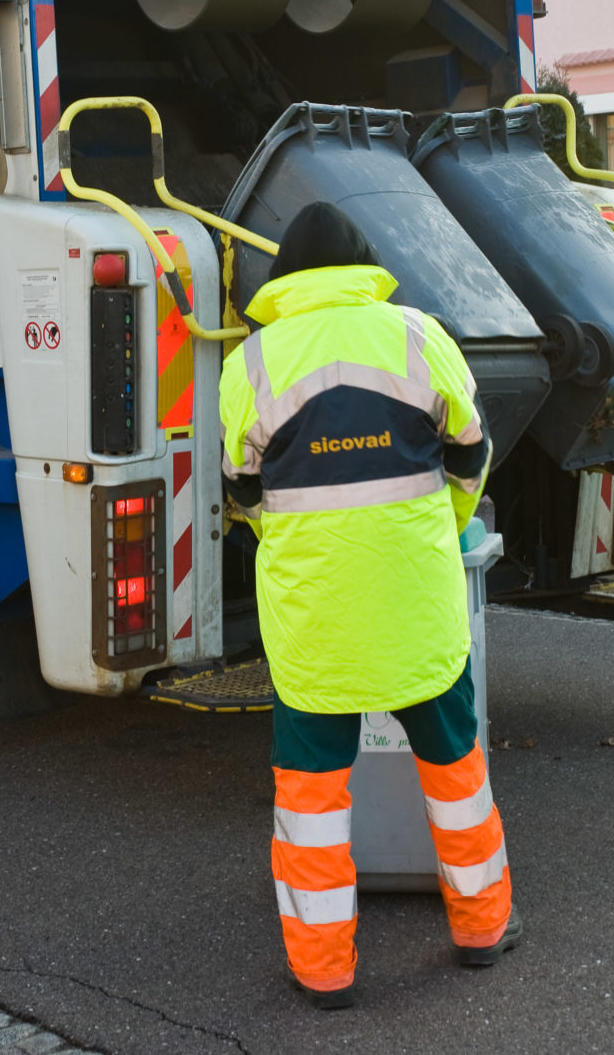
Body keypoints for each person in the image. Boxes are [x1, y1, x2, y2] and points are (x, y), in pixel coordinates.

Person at [220, 202, 519, 1011]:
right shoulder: (420, 335)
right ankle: (483, 928)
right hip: (417, 604)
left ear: (285, 276)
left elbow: (241, 488)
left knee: (311, 794)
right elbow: (471, 451)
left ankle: (325, 969)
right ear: (363, 266)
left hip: (313, 618)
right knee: (455, 770)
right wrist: (444, 525)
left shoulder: (250, 360)